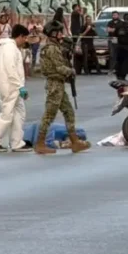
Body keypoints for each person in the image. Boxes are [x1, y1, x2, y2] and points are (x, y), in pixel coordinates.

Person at [34, 21, 90, 155]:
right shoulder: (52, 49)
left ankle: (74, 141)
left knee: (68, 111)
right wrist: (71, 71)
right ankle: (40, 143)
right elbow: (59, 67)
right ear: (54, 34)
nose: (61, 35)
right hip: (55, 84)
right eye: (59, 32)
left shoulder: (54, 47)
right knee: (49, 115)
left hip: (58, 84)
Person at [0, 24, 32, 152]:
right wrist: (20, 86)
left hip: (9, 86)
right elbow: (10, 69)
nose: (26, 41)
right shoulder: (10, 49)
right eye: (25, 37)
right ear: (20, 36)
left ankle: (17, 142)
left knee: (19, 113)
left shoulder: (4, 48)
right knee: (7, 115)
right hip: (9, 87)